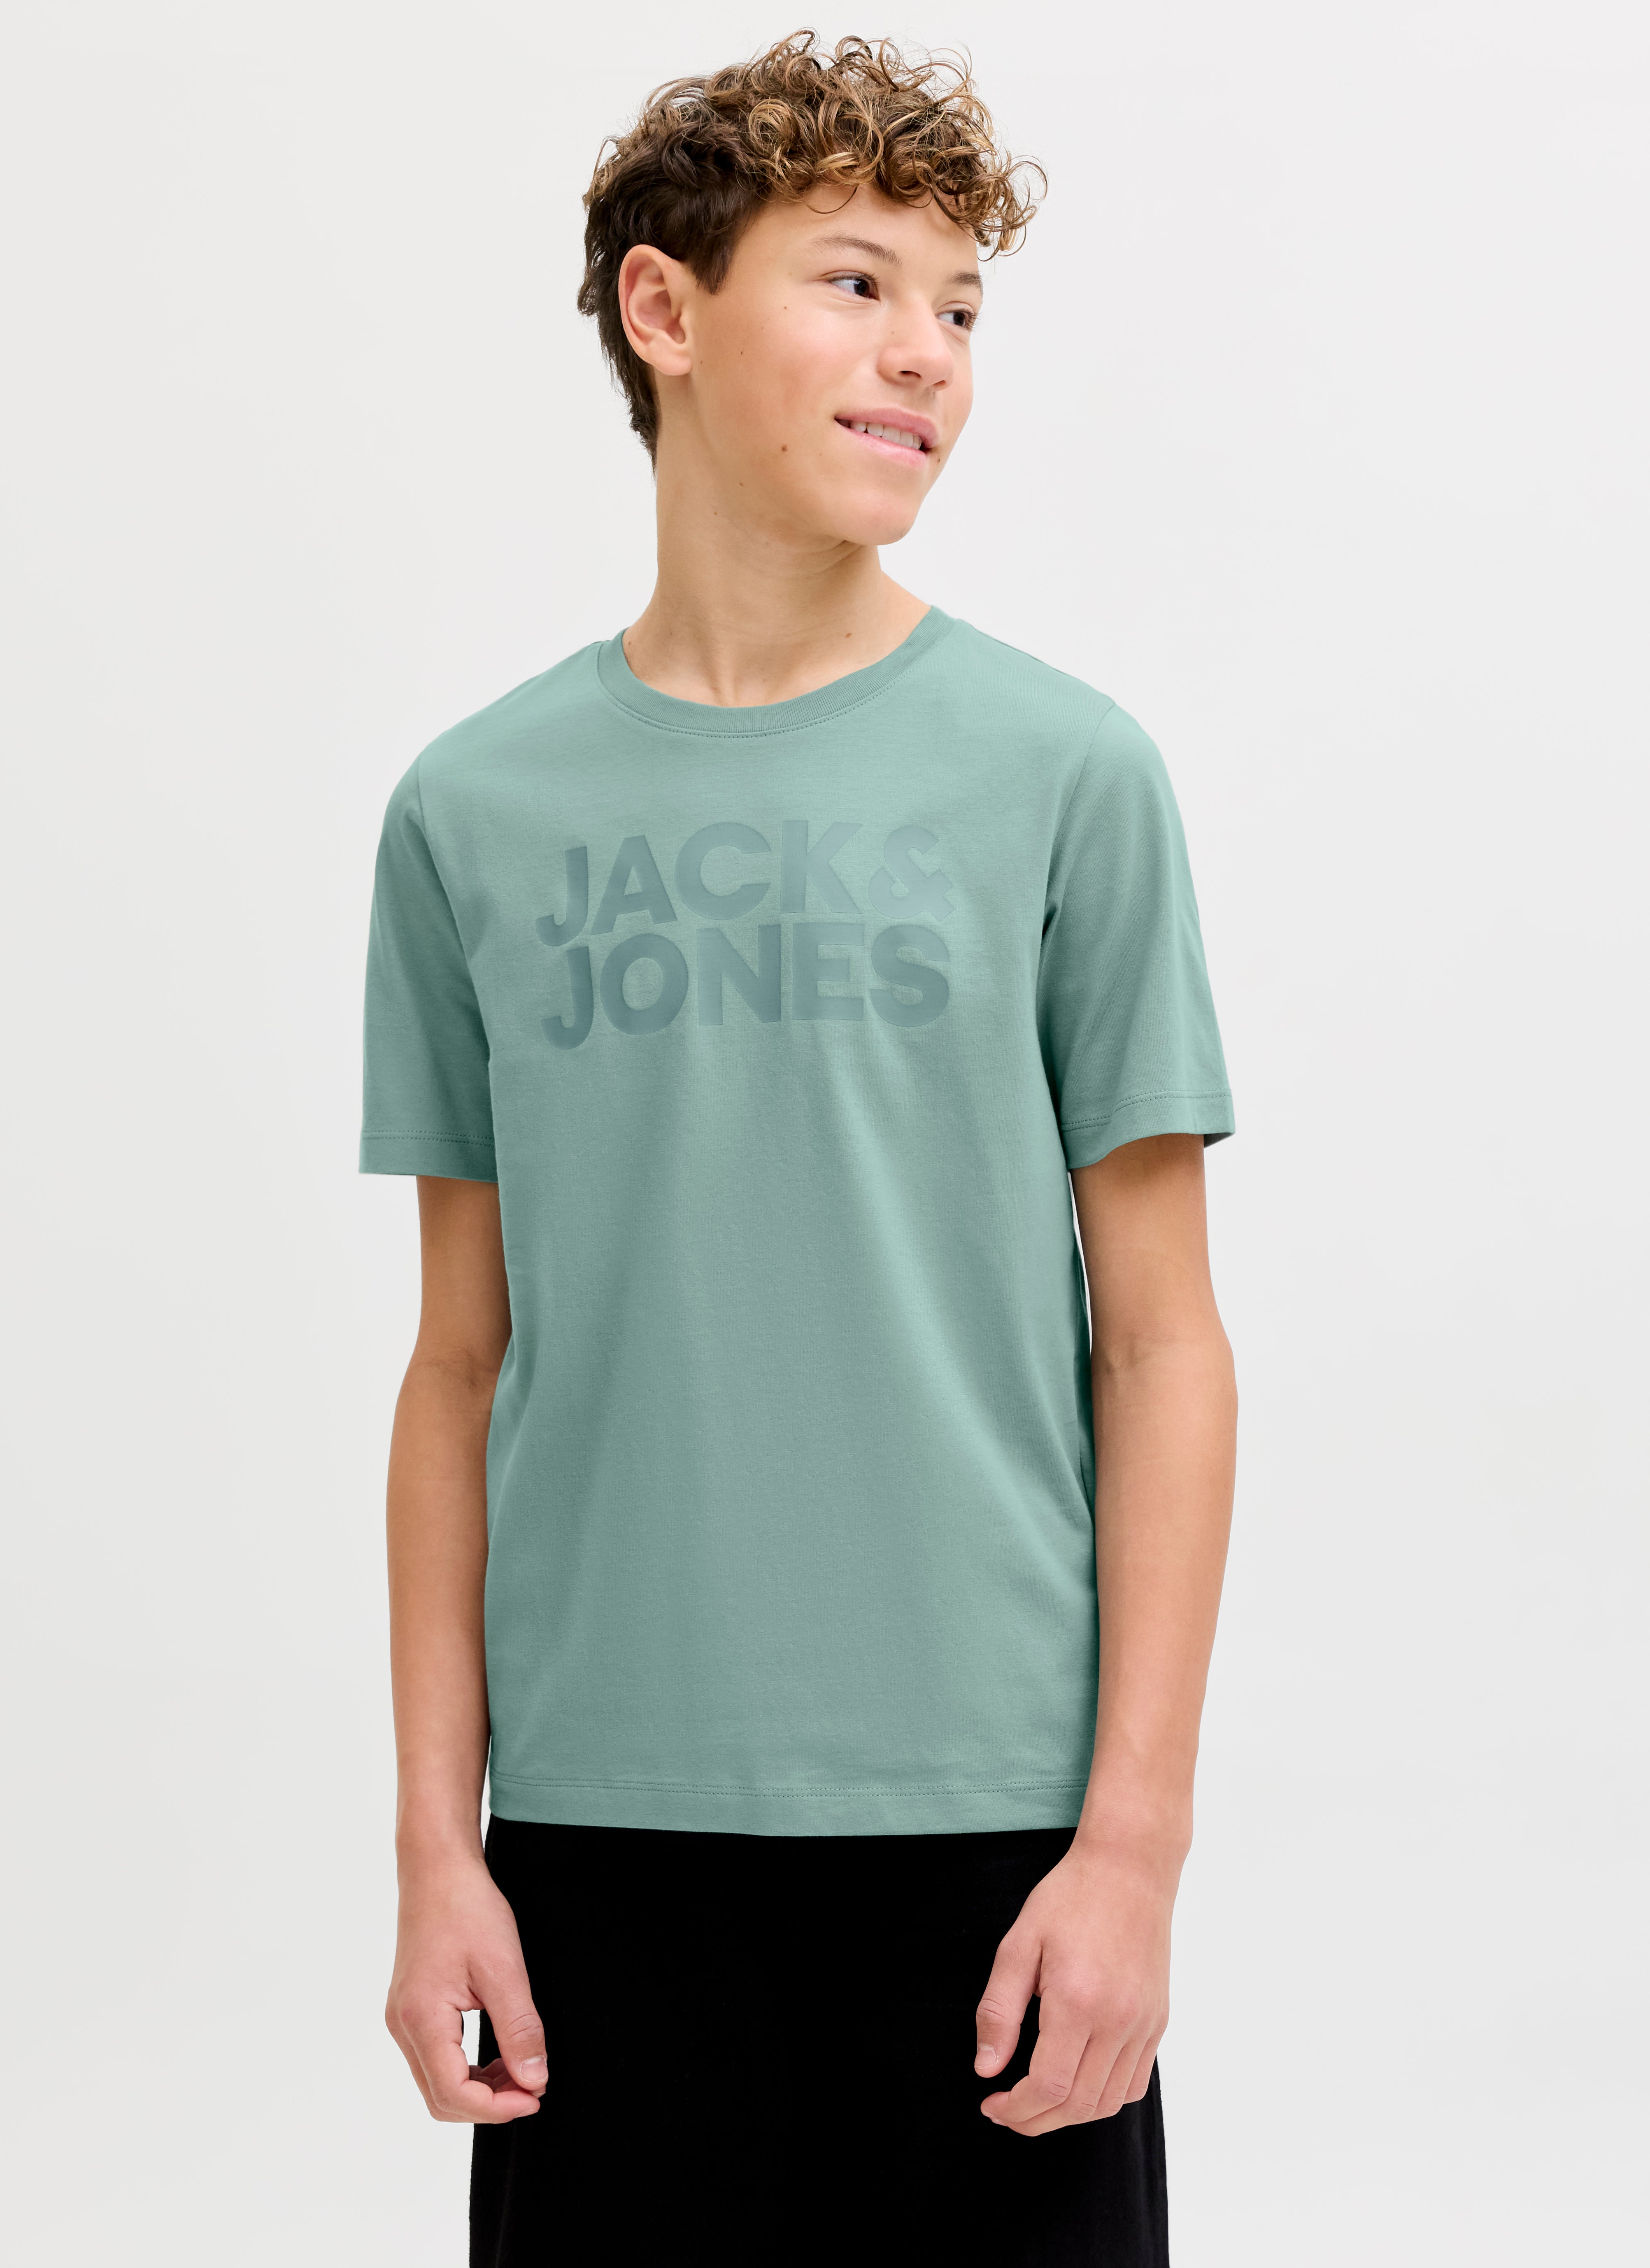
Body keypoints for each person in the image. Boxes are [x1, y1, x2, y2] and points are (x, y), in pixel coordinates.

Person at [360, 30, 1237, 2264]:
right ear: (664, 311)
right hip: (598, 1845)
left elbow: (1160, 1340)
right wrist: (439, 1848)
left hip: (991, 1849)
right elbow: (459, 1359)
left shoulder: (1066, 775)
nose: (927, 354)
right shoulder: (472, 813)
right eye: (857, 282)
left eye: (961, 306)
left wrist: (1130, 1851)